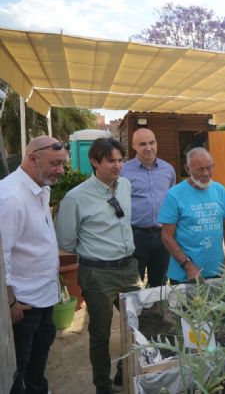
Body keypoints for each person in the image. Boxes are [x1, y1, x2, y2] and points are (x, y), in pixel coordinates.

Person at [55, 137, 141, 394]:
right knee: (101, 334)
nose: (118, 166)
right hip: (98, 273)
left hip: (129, 268)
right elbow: (66, 242)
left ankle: (123, 376)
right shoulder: (75, 197)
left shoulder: (125, 185)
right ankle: (102, 386)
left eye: (120, 160)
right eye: (111, 161)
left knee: (137, 327)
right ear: (94, 161)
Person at [1, 136, 67, 394]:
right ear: (32, 158)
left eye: (63, 164)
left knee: (40, 353)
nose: (61, 170)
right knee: (21, 363)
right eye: (56, 163)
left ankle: (38, 388)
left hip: (43, 296)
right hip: (23, 303)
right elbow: (1, 256)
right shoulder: (11, 197)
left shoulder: (40, 186)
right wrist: (9, 303)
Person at [159, 147, 225, 284]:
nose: (206, 173)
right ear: (188, 169)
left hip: (217, 271)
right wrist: (188, 266)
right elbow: (166, 236)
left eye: (209, 168)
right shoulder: (174, 195)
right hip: (185, 275)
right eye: (200, 169)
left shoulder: (220, 190)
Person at [121, 128, 176, 287]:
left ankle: (156, 311)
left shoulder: (168, 170)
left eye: (152, 143)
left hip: (163, 236)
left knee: (159, 283)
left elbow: (171, 200)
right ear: (134, 145)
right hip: (135, 235)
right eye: (143, 144)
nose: (148, 147)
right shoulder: (123, 171)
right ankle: (137, 312)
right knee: (133, 284)